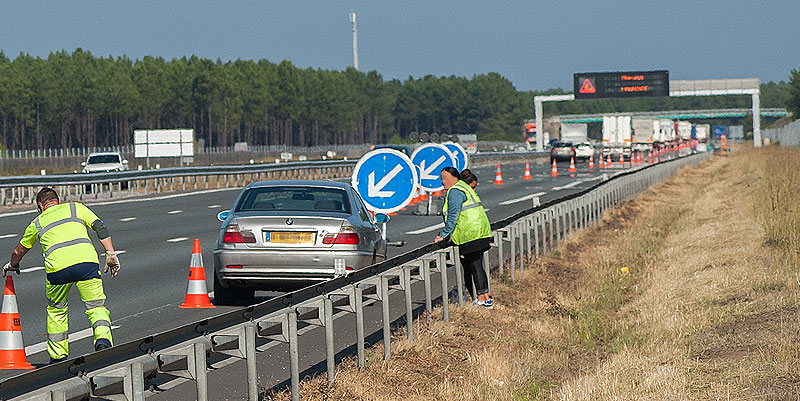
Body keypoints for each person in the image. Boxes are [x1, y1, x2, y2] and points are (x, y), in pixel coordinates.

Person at [2, 188, 120, 363]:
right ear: (58, 201)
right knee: (96, 307)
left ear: (41, 205)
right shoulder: (76, 208)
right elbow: (99, 225)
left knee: (57, 312)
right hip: (86, 264)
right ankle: (103, 342)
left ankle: (58, 358)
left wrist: (13, 264)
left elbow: (19, 250)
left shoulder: (38, 222)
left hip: (58, 270)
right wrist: (110, 253)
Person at [434, 167, 493, 308]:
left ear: (454, 178)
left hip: (470, 232)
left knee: (474, 265)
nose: (442, 181)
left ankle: (483, 300)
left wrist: (443, 235)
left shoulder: (455, 192)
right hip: (479, 230)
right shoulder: (463, 187)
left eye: (445, 178)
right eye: (441, 178)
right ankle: (483, 298)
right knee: (475, 265)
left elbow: (453, 216)